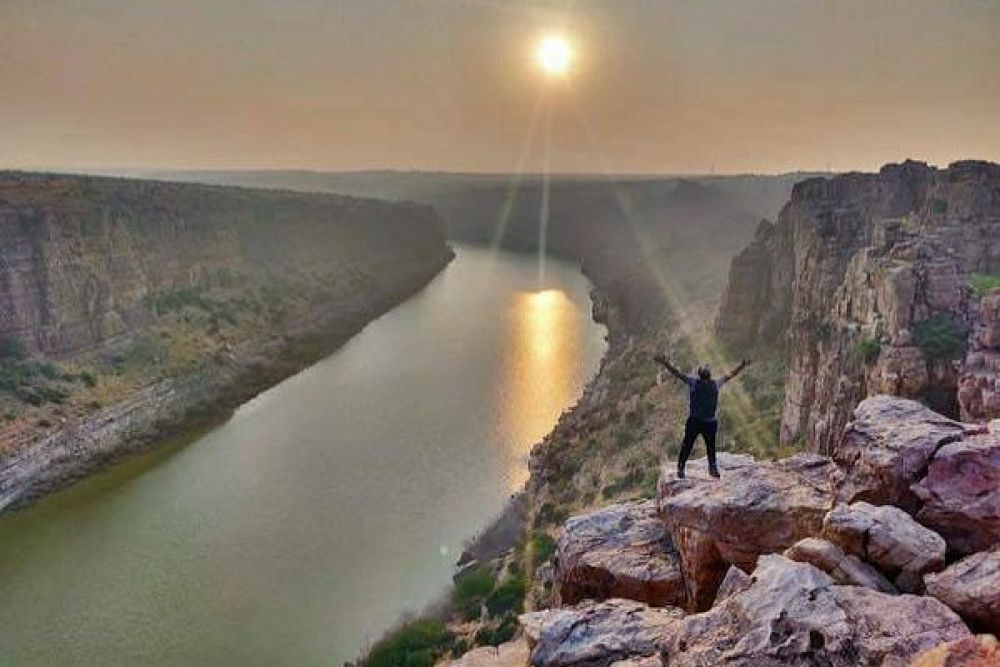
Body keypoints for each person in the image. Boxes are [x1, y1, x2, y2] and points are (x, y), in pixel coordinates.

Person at [653, 354, 749, 479]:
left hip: (696, 420)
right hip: (709, 421)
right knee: (709, 446)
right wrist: (741, 366)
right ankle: (710, 468)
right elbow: (730, 375)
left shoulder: (694, 382)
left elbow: (677, 373)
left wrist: (665, 363)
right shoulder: (715, 384)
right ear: (708, 375)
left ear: (700, 374)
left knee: (689, 444)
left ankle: (682, 468)